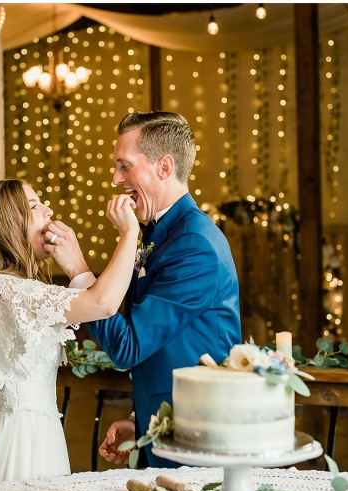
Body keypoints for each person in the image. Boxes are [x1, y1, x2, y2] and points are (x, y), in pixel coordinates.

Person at [55, 111, 242, 467]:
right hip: (167, 428)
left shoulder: (194, 244)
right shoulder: (165, 233)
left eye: (124, 166)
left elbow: (129, 347)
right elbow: (169, 346)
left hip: (198, 438)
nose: (115, 178)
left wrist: (79, 271)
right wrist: (140, 420)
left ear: (164, 167)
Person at [0, 178, 139, 489]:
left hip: (39, 434)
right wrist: (129, 234)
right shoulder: (6, 291)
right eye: (34, 206)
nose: (49, 210)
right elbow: (104, 303)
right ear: (6, 226)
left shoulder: (17, 289)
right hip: (22, 442)